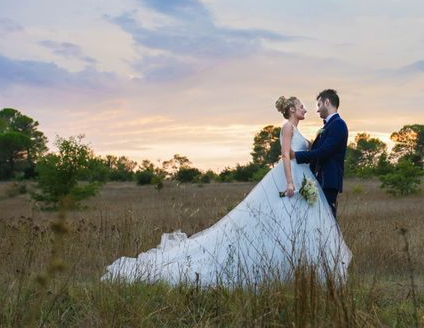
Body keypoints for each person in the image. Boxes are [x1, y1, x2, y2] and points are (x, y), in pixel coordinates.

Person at [102, 96, 351, 287]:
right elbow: (286, 155)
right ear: (292, 110)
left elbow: (309, 153)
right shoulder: (287, 127)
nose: (307, 109)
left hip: (304, 177)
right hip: (291, 178)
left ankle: (301, 268)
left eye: (311, 106)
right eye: (302, 106)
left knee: (296, 224)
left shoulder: (300, 130)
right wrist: (289, 182)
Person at [292, 89, 348, 218]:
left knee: (327, 220)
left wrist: (296, 155)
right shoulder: (330, 125)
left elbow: (324, 152)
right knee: (319, 219)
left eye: (319, 105)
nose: (317, 110)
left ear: (327, 102)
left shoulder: (338, 124)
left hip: (329, 180)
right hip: (321, 179)